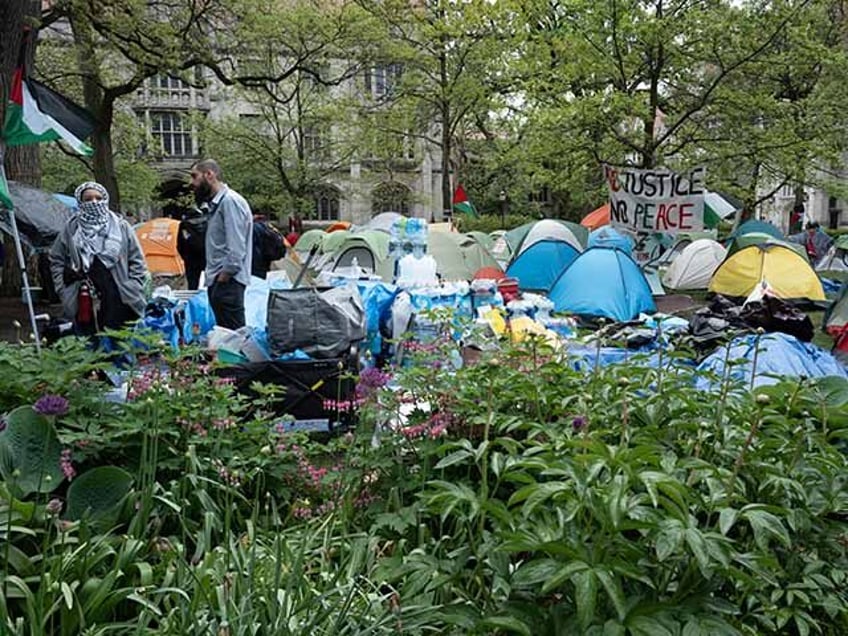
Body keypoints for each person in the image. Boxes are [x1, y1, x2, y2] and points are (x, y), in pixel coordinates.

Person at [49, 181, 148, 334]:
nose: (94, 202)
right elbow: (56, 258)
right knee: (88, 342)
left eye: (98, 198)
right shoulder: (71, 229)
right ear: (80, 202)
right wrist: (63, 288)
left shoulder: (121, 227)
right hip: (83, 296)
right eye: (88, 199)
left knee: (119, 343)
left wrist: (134, 285)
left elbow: (137, 260)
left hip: (119, 294)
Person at [190, 159, 252, 329]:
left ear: (209, 174)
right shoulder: (217, 204)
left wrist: (224, 276)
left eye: (195, 177)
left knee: (234, 339)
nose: (192, 183)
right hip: (221, 282)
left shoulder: (230, 202)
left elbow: (236, 248)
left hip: (227, 283)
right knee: (226, 338)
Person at [177, 203, 208, 290]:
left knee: (192, 285)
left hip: (190, 260)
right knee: (210, 285)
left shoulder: (184, 225)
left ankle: (193, 301)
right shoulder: (208, 222)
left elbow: (179, 244)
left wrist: (185, 257)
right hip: (207, 258)